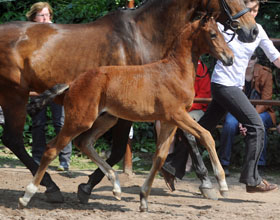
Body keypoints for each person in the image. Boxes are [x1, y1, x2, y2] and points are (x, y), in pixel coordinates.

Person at [162, 0, 280, 193]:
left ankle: (172, 166)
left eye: (255, 10)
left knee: (204, 128)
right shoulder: (226, 26)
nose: (251, 13)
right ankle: (251, 179)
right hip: (223, 84)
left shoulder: (257, 30)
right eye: (249, 9)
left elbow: (275, 57)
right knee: (257, 127)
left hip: (233, 87)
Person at [26, 2, 72, 171]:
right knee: (38, 123)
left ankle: (64, 161)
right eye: (42, 16)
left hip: (57, 85)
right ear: (33, 18)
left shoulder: (59, 34)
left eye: (48, 15)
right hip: (37, 86)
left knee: (61, 123)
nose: (46, 19)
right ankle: (37, 159)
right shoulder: (27, 36)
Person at [219, 54, 276, 176]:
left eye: (252, 57)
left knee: (259, 123)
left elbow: (266, 101)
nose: (249, 60)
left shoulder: (265, 73)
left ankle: (259, 165)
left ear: (256, 59)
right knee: (229, 123)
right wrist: (242, 117)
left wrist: (247, 118)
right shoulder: (234, 71)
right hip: (237, 110)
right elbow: (231, 97)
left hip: (260, 112)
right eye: (247, 57)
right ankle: (223, 164)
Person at [159, 60, 211, 191]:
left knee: (186, 126)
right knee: (162, 123)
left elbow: (204, 95)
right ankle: (165, 159)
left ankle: (178, 165)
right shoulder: (176, 68)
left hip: (193, 109)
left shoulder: (202, 69)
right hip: (178, 109)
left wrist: (184, 109)